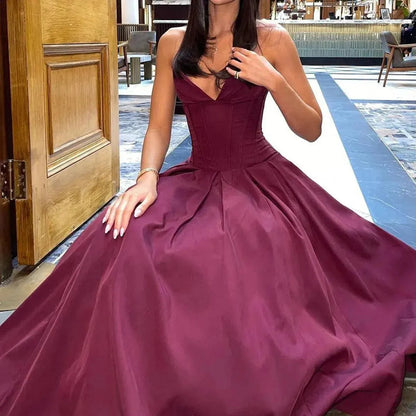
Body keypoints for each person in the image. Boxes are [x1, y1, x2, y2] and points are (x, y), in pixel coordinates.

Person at [1, 0, 416, 414]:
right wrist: (146, 177)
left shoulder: (272, 39)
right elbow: (158, 127)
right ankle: (120, 368)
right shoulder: (173, 42)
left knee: (247, 251)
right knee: (123, 236)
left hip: (260, 180)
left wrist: (273, 80)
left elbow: (311, 128)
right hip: (197, 176)